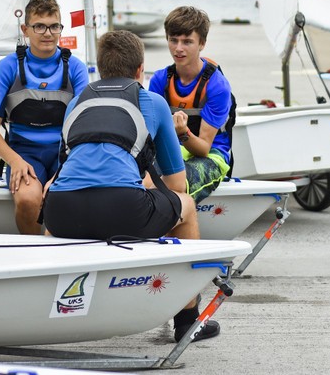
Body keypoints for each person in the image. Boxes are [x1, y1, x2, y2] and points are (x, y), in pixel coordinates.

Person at [42, 29, 221, 343]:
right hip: (122, 208)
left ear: (99, 69)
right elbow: (177, 183)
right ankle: (188, 321)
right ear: (140, 70)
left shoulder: (76, 103)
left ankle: (51, 308)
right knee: (186, 204)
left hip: (63, 209)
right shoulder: (152, 101)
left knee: (56, 211)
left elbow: (68, 165)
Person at [0, 0, 88, 234]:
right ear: (25, 29)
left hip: (66, 154)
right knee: (29, 200)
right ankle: (35, 253)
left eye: (54, 27)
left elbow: (85, 128)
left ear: (61, 29)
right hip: (25, 154)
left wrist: (62, 172)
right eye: (39, 26)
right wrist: (15, 161)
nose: (48, 33)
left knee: (64, 200)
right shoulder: (8, 66)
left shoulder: (76, 68)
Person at [147, 6, 233, 203]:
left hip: (211, 155)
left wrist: (182, 133)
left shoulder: (217, 86)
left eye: (187, 42)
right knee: (141, 178)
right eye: (173, 40)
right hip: (172, 149)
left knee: (175, 185)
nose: (178, 48)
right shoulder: (160, 80)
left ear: (201, 43)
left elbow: (203, 148)